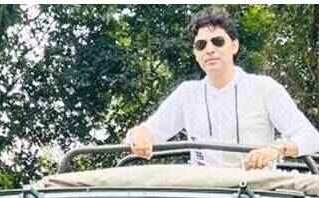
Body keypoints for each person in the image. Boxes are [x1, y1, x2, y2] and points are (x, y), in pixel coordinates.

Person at [127, 7, 319, 169]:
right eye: (201, 45)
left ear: (234, 46)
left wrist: (276, 150)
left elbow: (311, 137)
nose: (209, 49)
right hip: (207, 194)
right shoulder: (187, 93)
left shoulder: (264, 88)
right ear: (195, 53)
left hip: (257, 193)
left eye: (217, 42)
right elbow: (150, 132)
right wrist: (139, 135)